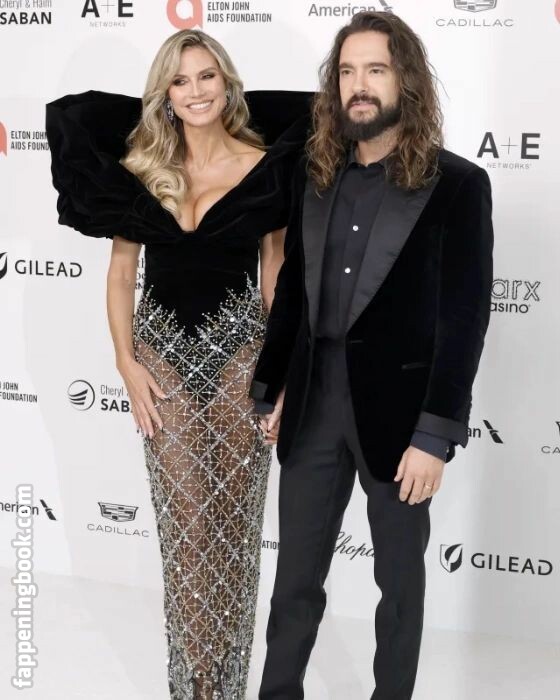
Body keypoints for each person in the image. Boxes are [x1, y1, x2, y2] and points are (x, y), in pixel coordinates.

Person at [46, 29, 311, 700]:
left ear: (226, 83)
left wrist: (279, 371)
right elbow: (120, 276)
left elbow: (275, 273)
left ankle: (229, 684)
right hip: (162, 361)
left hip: (242, 357)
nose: (196, 91)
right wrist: (126, 363)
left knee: (235, 530)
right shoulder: (142, 167)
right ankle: (193, 687)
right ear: (166, 94)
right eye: (181, 80)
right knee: (187, 530)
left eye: (207, 76)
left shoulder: (264, 166)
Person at [250, 11, 493, 700]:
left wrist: (434, 436)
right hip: (313, 405)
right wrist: (274, 385)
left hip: (401, 416)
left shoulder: (458, 185)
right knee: (294, 580)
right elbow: (292, 293)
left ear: (404, 80)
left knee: (399, 585)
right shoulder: (313, 175)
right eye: (347, 72)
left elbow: (463, 319)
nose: (359, 85)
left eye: (376, 70)